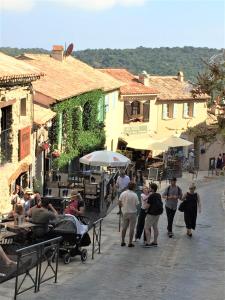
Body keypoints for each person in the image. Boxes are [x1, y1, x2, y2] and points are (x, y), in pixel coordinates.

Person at [118, 182, 139, 247]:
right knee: (132, 228)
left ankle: (123, 241)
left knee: (124, 228)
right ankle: (130, 242)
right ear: (134, 187)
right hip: (132, 213)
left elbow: (119, 202)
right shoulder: (135, 195)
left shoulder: (123, 193)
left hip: (125, 212)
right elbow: (137, 204)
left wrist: (122, 208)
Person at [144, 183, 163, 247]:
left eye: (149, 187)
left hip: (151, 214)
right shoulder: (158, 195)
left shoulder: (151, 196)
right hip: (157, 213)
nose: (149, 188)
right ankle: (155, 242)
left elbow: (147, 206)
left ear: (152, 189)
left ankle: (148, 242)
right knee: (155, 227)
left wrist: (144, 207)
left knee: (146, 227)